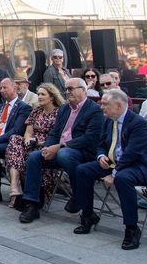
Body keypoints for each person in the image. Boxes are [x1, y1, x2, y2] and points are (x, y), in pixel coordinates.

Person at [72, 89, 147, 251]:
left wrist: (113, 173)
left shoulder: (138, 124)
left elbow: (132, 154)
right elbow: (100, 144)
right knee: (82, 170)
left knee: (123, 178)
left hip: (138, 165)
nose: (101, 107)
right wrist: (100, 156)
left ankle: (132, 228)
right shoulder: (108, 120)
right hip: (113, 162)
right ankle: (88, 215)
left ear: (119, 106)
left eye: (105, 104)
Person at [18, 78, 105, 224]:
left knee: (65, 154)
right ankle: (32, 204)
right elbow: (55, 132)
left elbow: (90, 138)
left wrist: (60, 147)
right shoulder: (64, 108)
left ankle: (78, 195)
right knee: (34, 157)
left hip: (82, 152)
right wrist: (47, 147)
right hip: (60, 150)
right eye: (66, 89)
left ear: (83, 90)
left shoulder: (94, 110)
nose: (67, 92)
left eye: (71, 89)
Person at [4, 83, 63, 209]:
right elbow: (28, 132)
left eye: (43, 94)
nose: (39, 97)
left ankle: (24, 193)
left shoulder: (59, 113)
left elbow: (59, 135)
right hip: (32, 143)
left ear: (51, 97)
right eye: (39, 94)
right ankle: (15, 186)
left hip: (48, 146)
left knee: (25, 155)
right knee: (15, 139)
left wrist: (40, 142)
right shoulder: (36, 112)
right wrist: (28, 139)